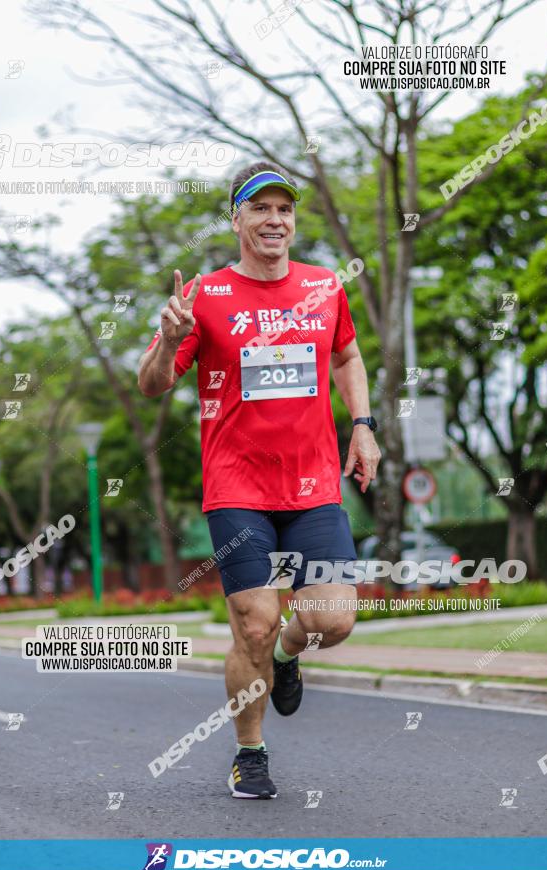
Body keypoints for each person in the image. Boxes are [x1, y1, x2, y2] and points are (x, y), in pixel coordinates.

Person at [138, 161, 381, 799]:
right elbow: (152, 383)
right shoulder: (206, 298)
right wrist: (168, 341)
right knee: (254, 622)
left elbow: (348, 353)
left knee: (333, 621)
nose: (275, 221)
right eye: (260, 209)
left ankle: (287, 655)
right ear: (237, 219)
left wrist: (364, 424)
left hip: (313, 484)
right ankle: (251, 751)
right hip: (237, 487)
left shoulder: (326, 286)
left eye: (284, 210)